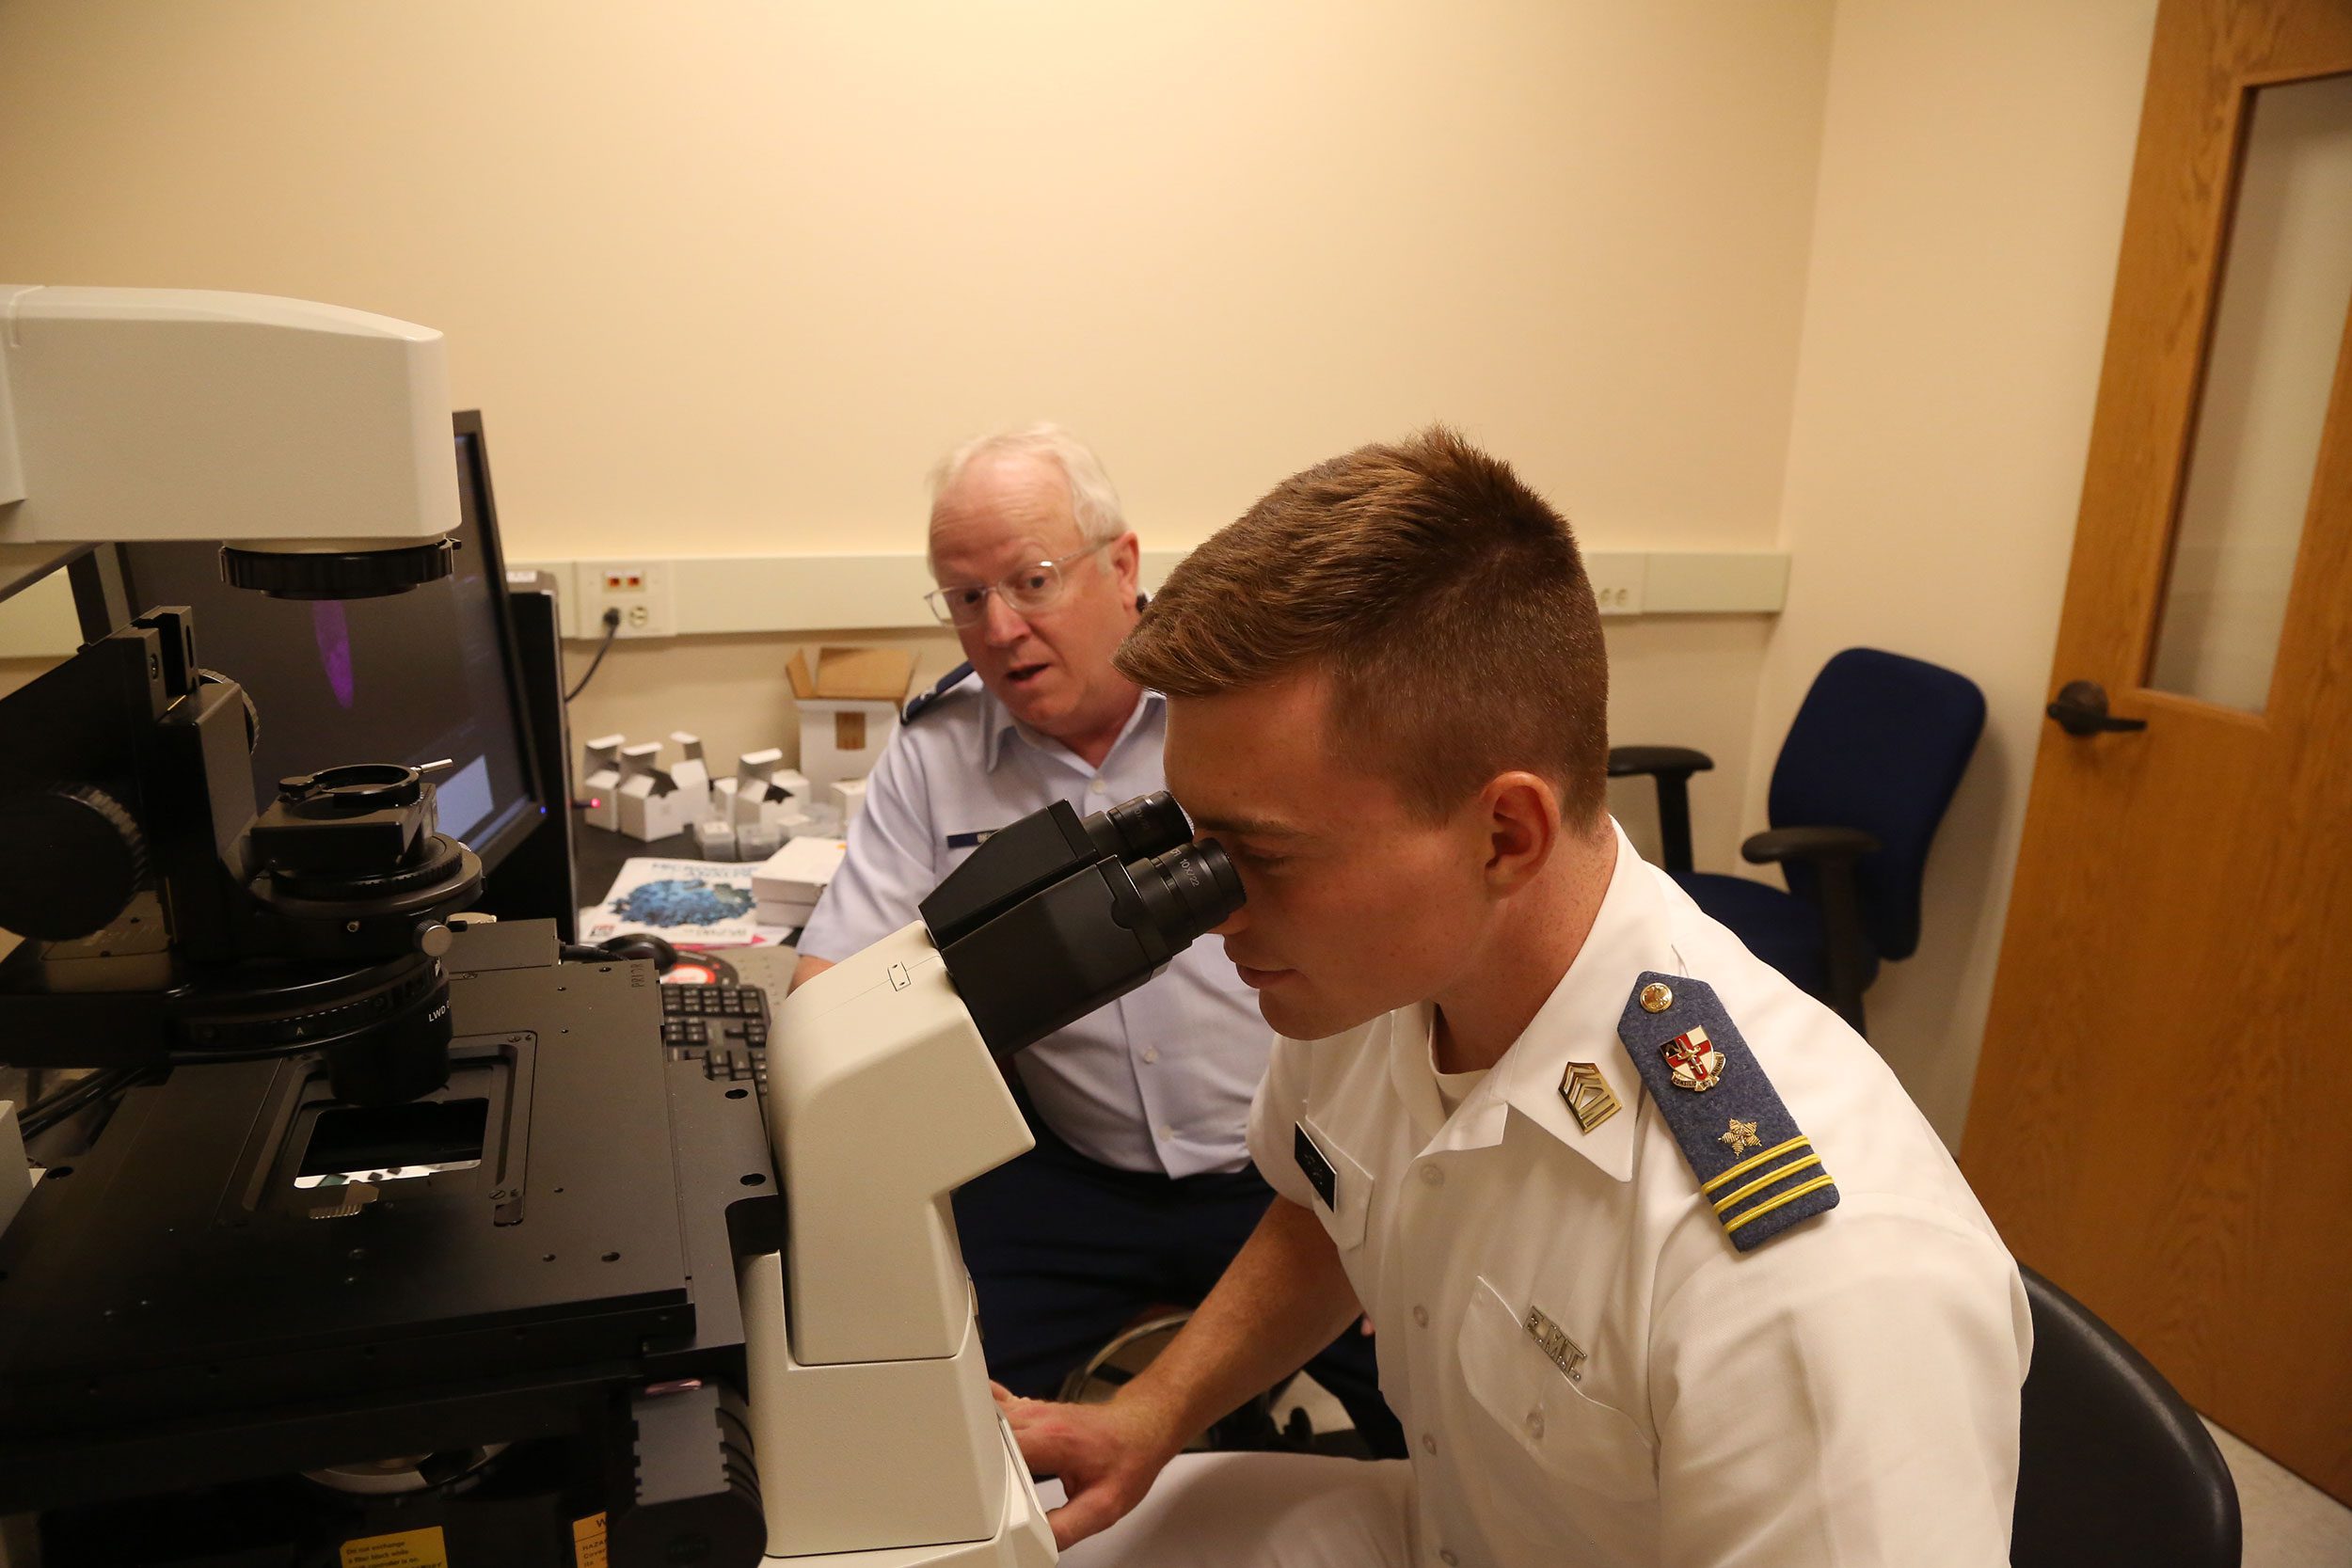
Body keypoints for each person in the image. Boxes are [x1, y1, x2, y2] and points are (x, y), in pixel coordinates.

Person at [1000, 427, 2034, 1568]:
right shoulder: (1374, 981)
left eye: (1261, 855)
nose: (1212, 911)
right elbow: (1324, 1206)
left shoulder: (1810, 1275)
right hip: (1449, 1525)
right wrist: (1151, 1410)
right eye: (1196, 841)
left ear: (1504, 832)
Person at [791, 423, 1401, 1454]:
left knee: (1435, 1417)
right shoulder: (937, 753)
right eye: (965, 597)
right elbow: (830, 987)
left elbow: (1403, 946)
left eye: (1031, 580)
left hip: (1294, 1166)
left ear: (1122, 566)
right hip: (1068, 1172)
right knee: (947, 1434)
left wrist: (1401, 1187)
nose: (999, 626)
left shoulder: (1257, 709)